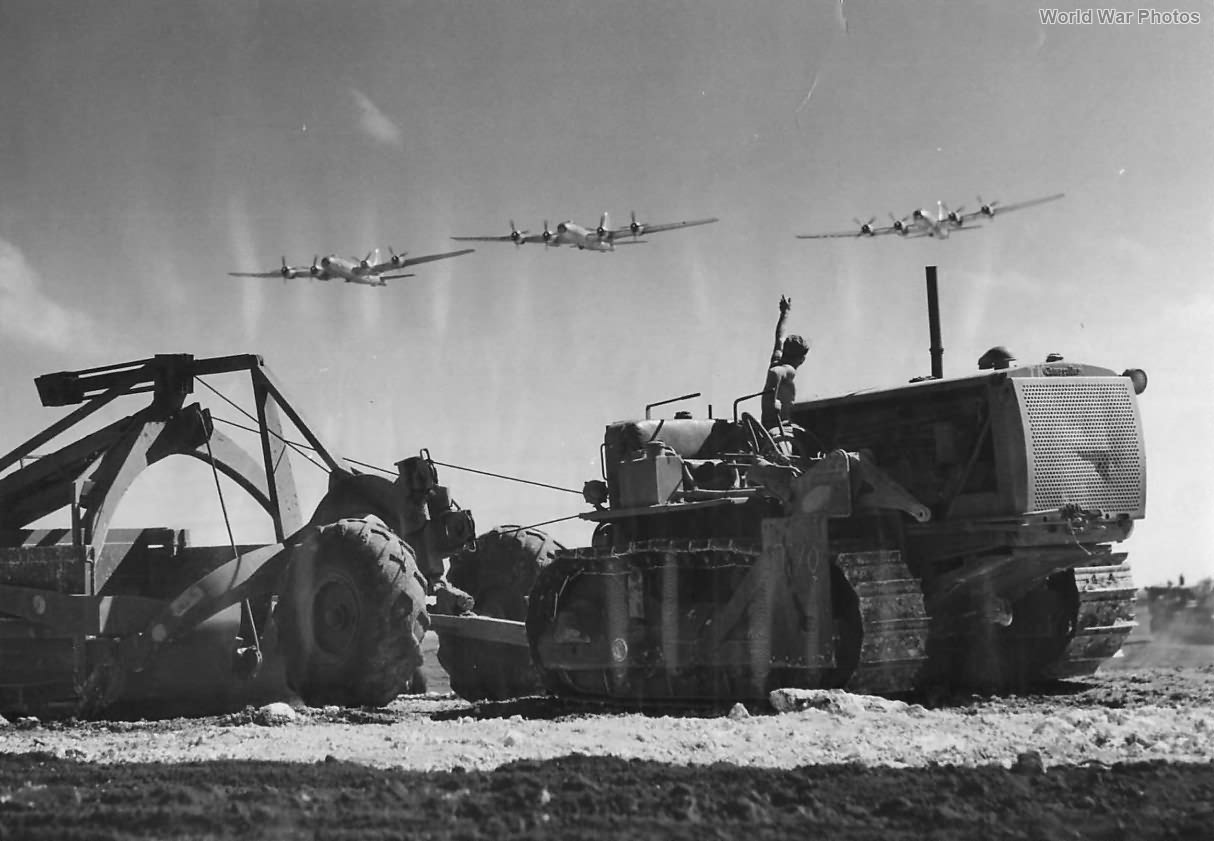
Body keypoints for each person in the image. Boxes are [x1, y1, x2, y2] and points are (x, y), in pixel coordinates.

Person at [761, 295, 811, 430]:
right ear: (801, 359)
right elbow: (775, 373)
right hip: (781, 427)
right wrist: (772, 402)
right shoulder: (787, 369)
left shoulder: (777, 359)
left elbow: (780, 338)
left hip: (770, 424)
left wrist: (785, 313)